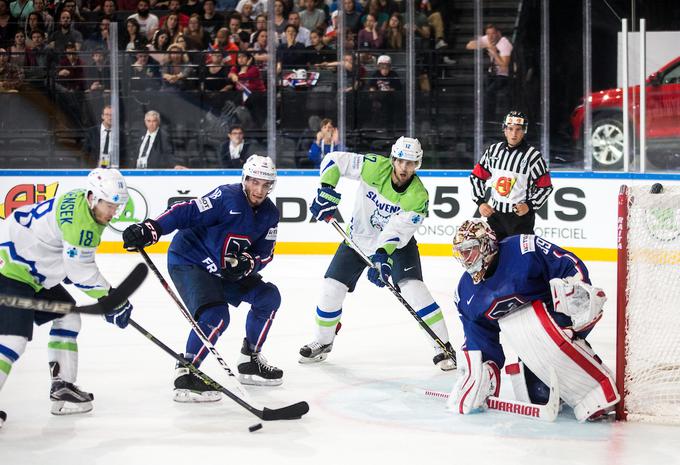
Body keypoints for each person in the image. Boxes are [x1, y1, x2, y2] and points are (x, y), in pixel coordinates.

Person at [121, 155, 284, 401]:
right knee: (215, 315)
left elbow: (265, 253)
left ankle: (250, 360)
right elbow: (185, 212)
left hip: (222, 269)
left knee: (268, 297)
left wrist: (246, 263)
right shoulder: (226, 197)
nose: (259, 190)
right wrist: (151, 229)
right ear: (245, 179)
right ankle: (186, 373)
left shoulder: (270, 214)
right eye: (254, 182)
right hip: (190, 260)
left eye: (265, 185)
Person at [299, 137, 456, 371]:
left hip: (397, 247)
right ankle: (323, 341)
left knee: (414, 290)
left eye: (411, 163)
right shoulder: (373, 166)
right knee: (331, 288)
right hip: (356, 240)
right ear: (393, 159)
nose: (404, 168)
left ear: (418, 165)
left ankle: (443, 347)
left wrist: (383, 257)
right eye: (401, 161)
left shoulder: (418, 196)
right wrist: (326, 190)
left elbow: (397, 231)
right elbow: (333, 160)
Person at [0, 168, 135, 427]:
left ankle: (63, 388)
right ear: (93, 197)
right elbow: (80, 271)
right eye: (110, 205)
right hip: (12, 269)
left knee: (68, 317)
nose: (113, 212)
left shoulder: (81, 202)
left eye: (117, 206)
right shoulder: (83, 224)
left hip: (28, 265)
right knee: (12, 340)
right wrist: (112, 299)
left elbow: (65, 255)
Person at [448, 219, 619, 421]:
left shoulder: (522, 248)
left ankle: (596, 390)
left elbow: (565, 264)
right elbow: (479, 337)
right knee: (536, 396)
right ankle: (559, 381)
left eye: (470, 249)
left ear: (487, 244)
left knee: (547, 327)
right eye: (461, 252)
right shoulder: (465, 292)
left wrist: (577, 290)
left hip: (560, 318)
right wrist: (482, 371)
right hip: (529, 341)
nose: (465, 258)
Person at [469, 111, 553, 241]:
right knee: (493, 257)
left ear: (524, 130)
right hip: (495, 216)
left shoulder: (533, 156)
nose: (514, 134)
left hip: (520, 219)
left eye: (518, 129)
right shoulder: (493, 151)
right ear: (504, 129)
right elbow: (476, 177)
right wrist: (481, 202)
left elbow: (545, 187)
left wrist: (529, 205)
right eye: (510, 129)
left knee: (520, 258)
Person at [466, 23, 513, 121]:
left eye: (493, 34)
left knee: (489, 91)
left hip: (504, 74)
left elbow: (504, 66)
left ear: (498, 34)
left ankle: (488, 118)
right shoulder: (488, 39)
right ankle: (488, 118)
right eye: (488, 34)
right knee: (484, 90)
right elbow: (469, 45)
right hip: (492, 72)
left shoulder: (504, 44)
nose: (490, 36)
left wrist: (495, 53)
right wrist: (486, 45)